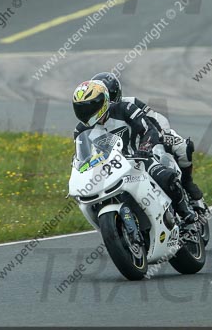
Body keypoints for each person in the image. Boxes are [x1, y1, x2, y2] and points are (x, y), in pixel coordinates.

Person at [71, 80, 198, 226]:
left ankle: (184, 211)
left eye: (90, 106)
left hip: (137, 158)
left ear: (103, 100)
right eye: (80, 109)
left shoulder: (125, 108)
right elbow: (83, 154)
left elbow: (149, 129)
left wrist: (144, 148)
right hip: (109, 167)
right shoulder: (80, 130)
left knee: (164, 176)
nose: (86, 113)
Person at [91, 72, 204, 204]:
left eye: (110, 97)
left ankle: (187, 182)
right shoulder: (96, 119)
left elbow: (153, 118)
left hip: (152, 135)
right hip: (125, 153)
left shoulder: (130, 103)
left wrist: (162, 134)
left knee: (182, 148)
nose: (108, 102)